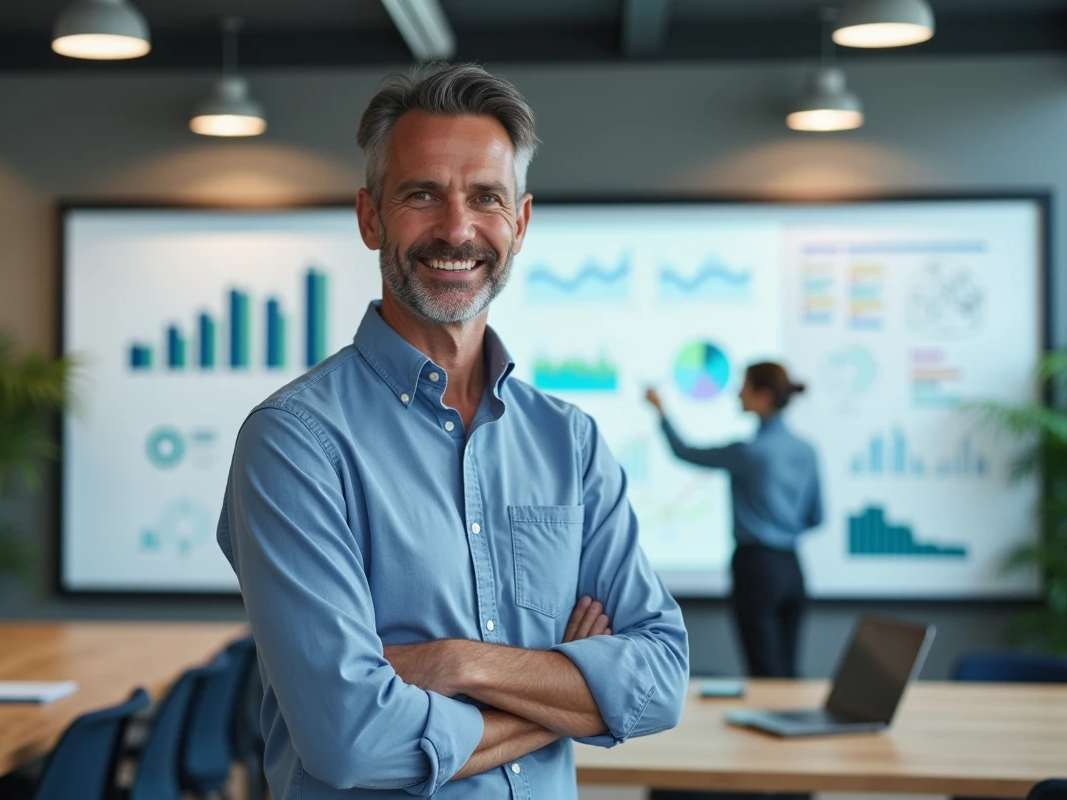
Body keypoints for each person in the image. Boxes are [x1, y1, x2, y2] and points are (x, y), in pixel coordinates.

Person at [217, 64, 689, 799]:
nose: (457, 229)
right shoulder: (294, 443)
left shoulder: (570, 442)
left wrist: (458, 663)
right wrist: (570, 692)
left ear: (521, 222)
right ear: (370, 216)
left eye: (485, 198)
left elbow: (659, 683)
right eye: (422, 194)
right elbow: (351, 740)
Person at [645, 363, 821, 679]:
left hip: (756, 568)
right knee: (788, 671)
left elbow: (684, 451)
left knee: (763, 672)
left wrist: (660, 409)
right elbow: (816, 516)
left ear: (764, 395)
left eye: (745, 385)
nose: (738, 392)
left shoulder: (750, 452)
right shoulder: (806, 450)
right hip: (792, 568)